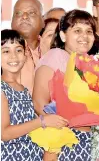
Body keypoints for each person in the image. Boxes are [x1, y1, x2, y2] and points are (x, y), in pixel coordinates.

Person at [32, 9, 96, 161]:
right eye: (77, 30)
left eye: (89, 31)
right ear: (62, 35)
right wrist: (61, 130)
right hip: (63, 142)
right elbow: (39, 103)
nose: (84, 36)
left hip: (89, 142)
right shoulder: (56, 56)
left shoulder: (93, 65)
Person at [1, 29, 68, 161]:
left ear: (26, 54)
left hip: (32, 155)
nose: (13, 56)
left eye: (18, 50)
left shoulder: (24, 90)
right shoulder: (1, 89)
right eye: (6, 51)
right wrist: (42, 121)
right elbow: (4, 133)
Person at [11, 0, 44, 94]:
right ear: (11, 21)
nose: (24, 17)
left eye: (31, 13)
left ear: (43, 21)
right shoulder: (2, 50)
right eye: (18, 13)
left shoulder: (54, 51)